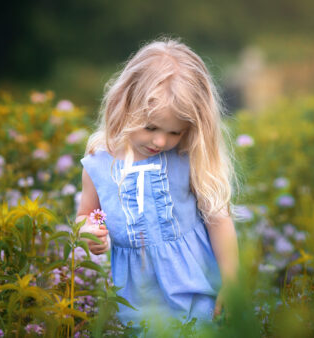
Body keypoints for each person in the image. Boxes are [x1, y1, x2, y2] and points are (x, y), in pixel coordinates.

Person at [76, 38, 239, 331]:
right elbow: (84, 216)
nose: (161, 141)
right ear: (124, 106)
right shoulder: (98, 165)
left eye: (174, 132)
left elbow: (218, 218)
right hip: (136, 299)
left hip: (198, 286)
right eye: (150, 127)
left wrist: (231, 281)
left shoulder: (187, 157)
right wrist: (88, 232)